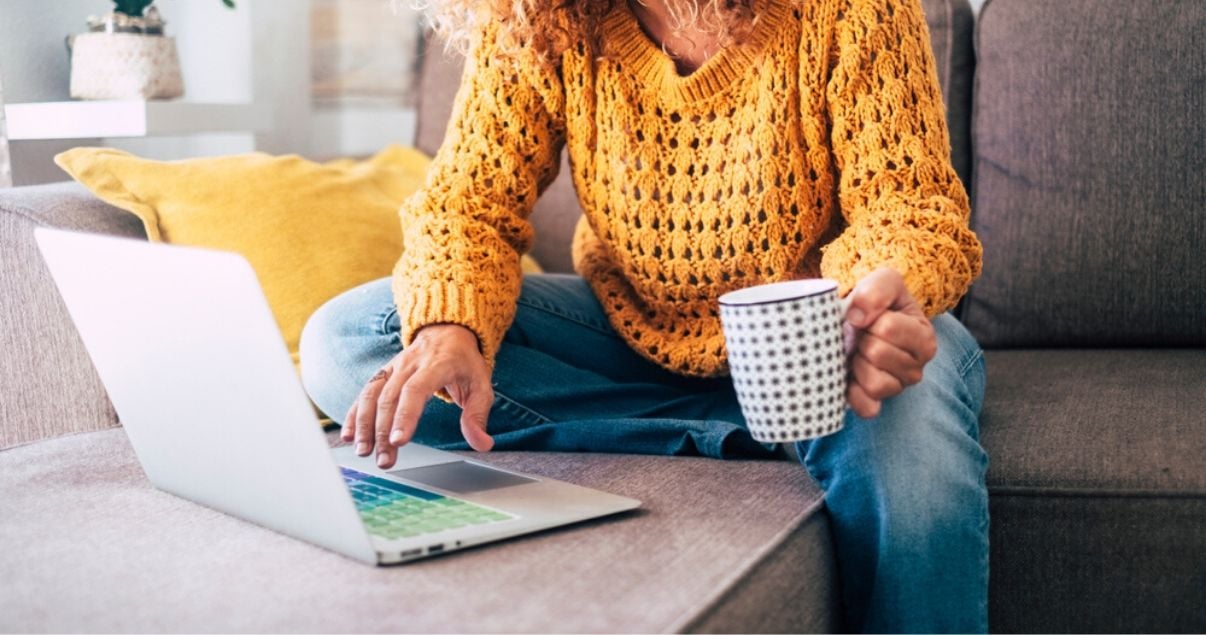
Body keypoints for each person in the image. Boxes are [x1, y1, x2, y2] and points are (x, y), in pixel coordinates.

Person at [300, 0, 988, 631]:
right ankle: (750, 433)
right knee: (349, 339)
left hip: (825, 344)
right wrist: (449, 326)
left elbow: (909, 210)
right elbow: (466, 204)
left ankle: (772, 423)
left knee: (911, 436)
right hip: (630, 335)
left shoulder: (854, 9)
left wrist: (869, 308)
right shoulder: (542, 14)